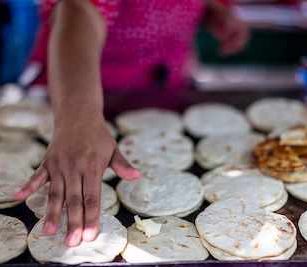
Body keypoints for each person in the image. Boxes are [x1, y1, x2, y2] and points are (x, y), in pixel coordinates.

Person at [14, 0, 249, 247]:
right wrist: (78, 117)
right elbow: (78, 8)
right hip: (85, 86)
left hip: (166, 81)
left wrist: (209, 9)